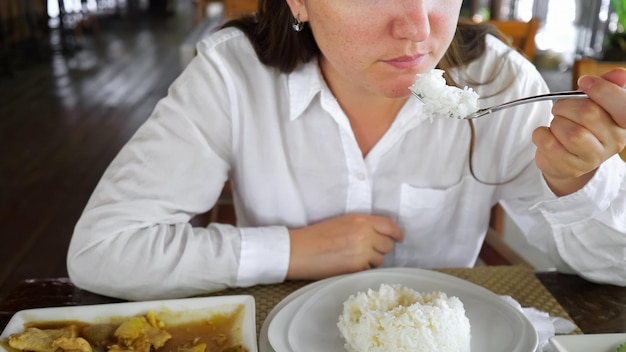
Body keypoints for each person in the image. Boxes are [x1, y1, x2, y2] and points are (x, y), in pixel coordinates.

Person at [67, 0, 626, 301]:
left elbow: (617, 271)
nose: (416, 27)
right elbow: (103, 251)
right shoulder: (232, 75)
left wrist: (578, 181)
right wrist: (290, 251)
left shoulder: (501, 83)